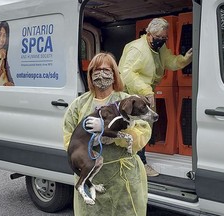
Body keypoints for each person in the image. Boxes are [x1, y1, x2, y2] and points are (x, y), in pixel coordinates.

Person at [63, 52, 152, 216]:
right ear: (90, 74)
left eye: (106, 69)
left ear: (114, 73)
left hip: (123, 177)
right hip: (91, 175)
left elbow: (143, 133)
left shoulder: (128, 101)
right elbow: (69, 140)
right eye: (96, 70)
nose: (101, 74)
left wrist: (110, 132)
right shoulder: (79, 105)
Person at [119, 18, 192, 177]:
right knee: (137, 129)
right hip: (132, 96)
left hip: (146, 93)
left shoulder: (159, 48)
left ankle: (136, 162)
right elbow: (127, 73)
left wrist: (185, 59)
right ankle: (140, 164)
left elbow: (170, 62)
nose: (161, 41)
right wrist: (146, 91)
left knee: (146, 128)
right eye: (158, 38)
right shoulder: (137, 49)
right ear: (148, 33)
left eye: (164, 38)